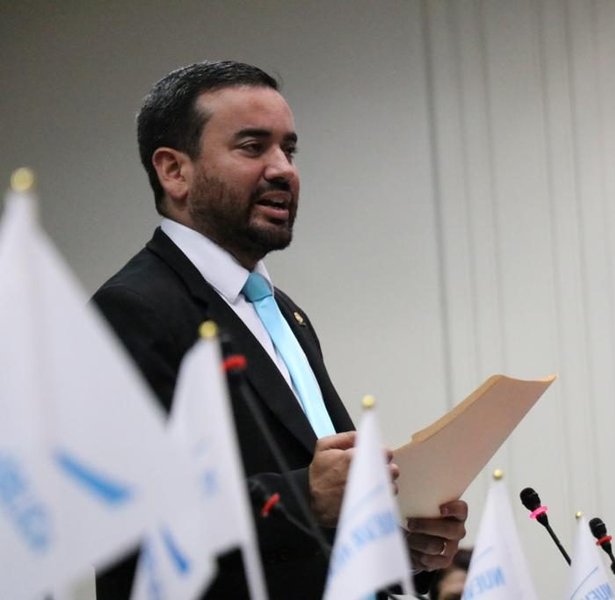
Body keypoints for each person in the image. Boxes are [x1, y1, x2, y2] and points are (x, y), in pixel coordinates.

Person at [92, 60, 467, 599]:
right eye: (252, 147)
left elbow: (306, 535)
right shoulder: (131, 309)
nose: (283, 169)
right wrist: (304, 498)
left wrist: (398, 548)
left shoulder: (282, 312)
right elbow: (130, 519)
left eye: (289, 150)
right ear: (174, 171)